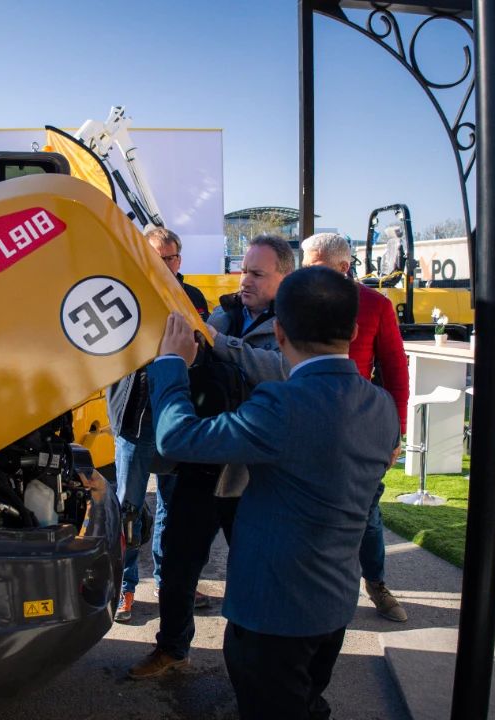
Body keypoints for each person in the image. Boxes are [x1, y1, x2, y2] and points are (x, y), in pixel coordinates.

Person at [148, 266, 399, 719]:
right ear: (354, 331)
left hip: (272, 614)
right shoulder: (380, 405)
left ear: (279, 332)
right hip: (334, 605)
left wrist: (171, 364)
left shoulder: (283, 405)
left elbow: (177, 437)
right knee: (307, 701)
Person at [129, 234, 292, 678]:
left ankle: (255, 666)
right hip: (201, 464)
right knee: (178, 564)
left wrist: (218, 343)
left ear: (284, 276)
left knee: (253, 574)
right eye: (243, 270)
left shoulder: (291, 325)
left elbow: (282, 371)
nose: (245, 280)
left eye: (257, 273)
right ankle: (172, 648)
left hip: (253, 476)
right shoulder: (223, 313)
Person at [301, 232, 409, 622]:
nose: (306, 273)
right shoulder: (297, 300)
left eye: (314, 266)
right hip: (305, 425)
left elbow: (396, 371)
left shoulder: (375, 306)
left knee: (367, 514)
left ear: (343, 267)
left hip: (358, 431)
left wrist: (395, 432)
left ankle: (375, 582)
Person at [105, 227, 209, 623]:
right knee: (128, 509)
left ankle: (169, 583)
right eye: (158, 258)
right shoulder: (122, 294)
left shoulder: (193, 298)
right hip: (135, 419)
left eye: (171, 257)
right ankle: (124, 586)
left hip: (177, 420)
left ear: (180, 259)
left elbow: (205, 356)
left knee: (173, 509)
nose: (166, 265)